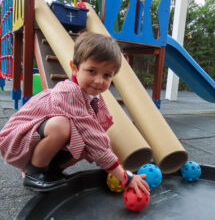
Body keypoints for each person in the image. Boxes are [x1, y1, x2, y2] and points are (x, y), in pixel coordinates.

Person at [0, 32, 149, 197]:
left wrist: (112, 164)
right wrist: (124, 176)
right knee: (62, 126)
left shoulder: (95, 98)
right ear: (74, 68)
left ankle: (49, 170)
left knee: (85, 143)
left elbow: (98, 135)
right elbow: (93, 136)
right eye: (91, 71)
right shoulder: (70, 92)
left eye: (107, 75)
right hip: (15, 141)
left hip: (33, 141)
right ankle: (34, 173)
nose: (99, 80)